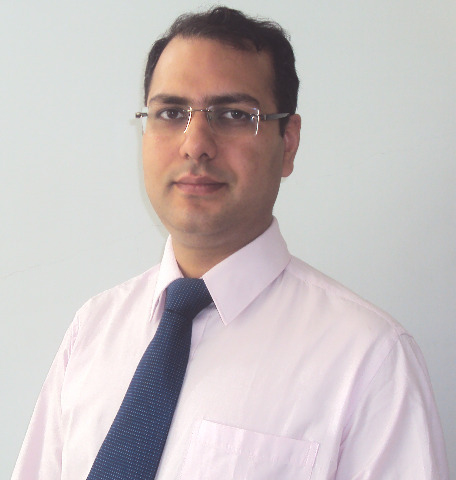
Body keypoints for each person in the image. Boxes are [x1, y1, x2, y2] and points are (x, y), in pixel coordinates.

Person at [12, 6, 449, 480]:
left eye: (234, 115)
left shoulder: (370, 360)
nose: (195, 144)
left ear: (288, 143)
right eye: (171, 113)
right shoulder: (93, 331)